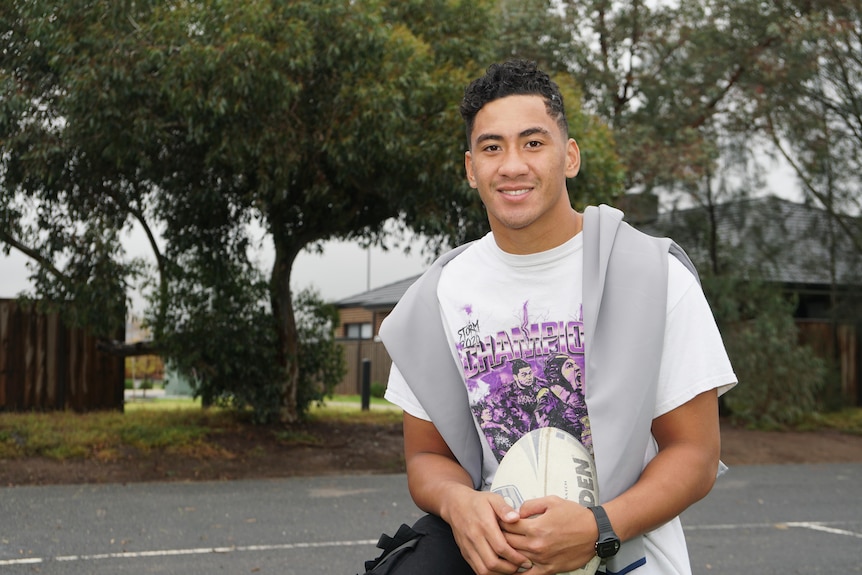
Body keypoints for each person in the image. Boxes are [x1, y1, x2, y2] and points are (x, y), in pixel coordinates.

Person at [360, 59, 736, 575]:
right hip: (500, 553)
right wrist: (460, 504)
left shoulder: (653, 276)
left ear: (570, 157)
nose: (512, 165)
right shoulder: (441, 294)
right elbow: (426, 458)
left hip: (625, 550)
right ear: (471, 169)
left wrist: (598, 528)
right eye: (492, 148)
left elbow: (693, 453)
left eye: (533, 143)